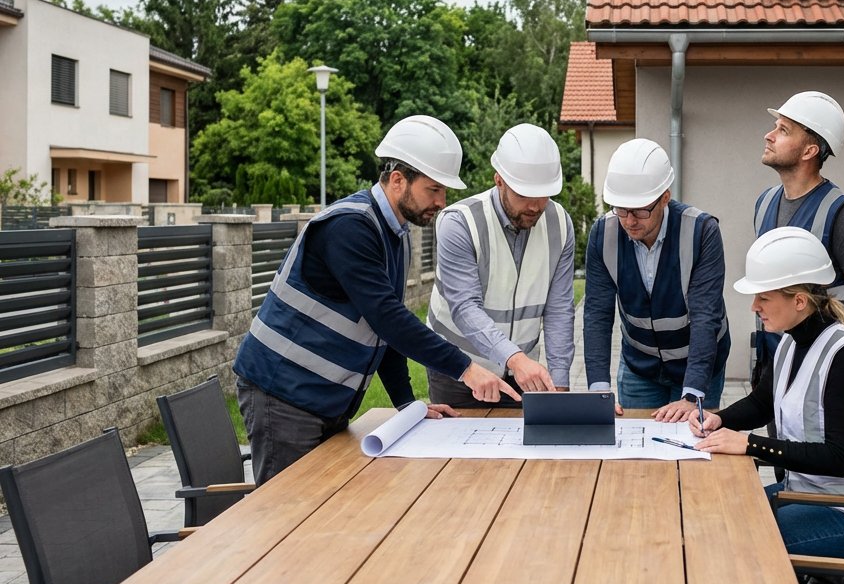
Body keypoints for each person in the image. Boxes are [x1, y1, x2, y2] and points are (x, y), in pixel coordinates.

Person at [233, 115, 520, 484]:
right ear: (398, 179)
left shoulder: (395, 236)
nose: (441, 201)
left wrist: (407, 405)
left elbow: (384, 333)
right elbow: (387, 318)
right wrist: (466, 368)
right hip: (283, 393)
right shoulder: (349, 228)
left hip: (321, 397)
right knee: (287, 513)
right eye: (433, 189)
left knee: (320, 512)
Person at [689, 227, 844, 584]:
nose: (754, 306)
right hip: (823, 496)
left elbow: (839, 459)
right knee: (725, 518)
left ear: (800, 301)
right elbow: (762, 403)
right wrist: (721, 420)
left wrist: (750, 445)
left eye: (764, 297)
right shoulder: (792, 341)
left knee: (746, 539)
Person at [406, 123, 576, 407]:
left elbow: (559, 308)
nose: (535, 205)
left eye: (543, 194)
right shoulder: (459, 223)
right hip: (460, 369)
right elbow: (464, 307)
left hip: (522, 373)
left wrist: (559, 384)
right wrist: (515, 358)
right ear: (499, 181)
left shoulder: (560, 223)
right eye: (524, 194)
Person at [583, 138, 731, 420]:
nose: (629, 220)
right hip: (640, 367)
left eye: (640, 210)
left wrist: (692, 394)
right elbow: (596, 314)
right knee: (637, 454)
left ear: (665, 196)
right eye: (621, 208)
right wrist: (598, 391)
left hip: (699, 366)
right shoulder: (603, 235)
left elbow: (705, 316)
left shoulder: (701, 232)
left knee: (692, 449)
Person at [754, 91, 844, 378]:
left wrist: (838, 351)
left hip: (822, 370)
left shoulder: (841, 214)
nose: (769, 135)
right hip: (775, 359)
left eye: (783, 130)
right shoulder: (764, 203)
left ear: (809, 151)